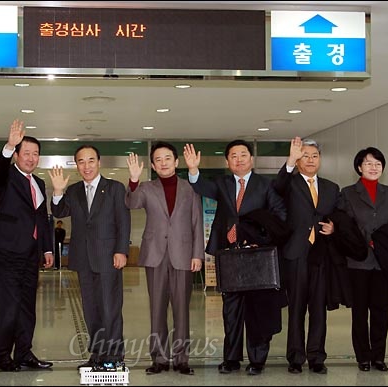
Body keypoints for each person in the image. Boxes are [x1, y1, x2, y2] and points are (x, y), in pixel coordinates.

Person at [183, 141, 287, 376]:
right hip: (229, 256)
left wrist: (257, 235)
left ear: (251, 159)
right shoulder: (222, 183)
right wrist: (193, 170)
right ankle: (231, 359)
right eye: (233, 156)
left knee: (256, 310)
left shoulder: (265, 185)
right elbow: (200, 186)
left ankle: (257, 360)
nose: (238, 159)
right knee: (231, 310)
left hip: (256, 257)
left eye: (243, 155)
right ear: (227, 162)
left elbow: (280, 216)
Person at [125, 142, 204, 376]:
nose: (163, 163)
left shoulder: (190, 189)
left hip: (183, 255)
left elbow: (197, 223)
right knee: (157, 309)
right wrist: (133, 180)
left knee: (182, 309)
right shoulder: (147, 188)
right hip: (155, 255)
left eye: (167, 158)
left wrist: (197, 254)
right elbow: (131, 203)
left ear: (176, 161)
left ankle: (182, 359)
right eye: (158, 159)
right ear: (152, 165)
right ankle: (159, 358)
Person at [49, 145, 131, 369]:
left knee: (110, 307)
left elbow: (123, 222)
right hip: (83, 259)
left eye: (91, 161)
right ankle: (97, 353)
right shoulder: (74, 190)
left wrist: (122, 250)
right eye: (81, 162)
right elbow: (59, 212)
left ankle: (114, 355)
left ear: (99, 162)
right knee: (91, 309)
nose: (86, 166)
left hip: (108, 257)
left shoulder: (114, 188)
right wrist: (57, 192)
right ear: (77, 165)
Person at [272, 136, 341, 374]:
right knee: (297, 307)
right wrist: (290, 160)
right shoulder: (289, 183)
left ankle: (316, 357)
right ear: (298, 160)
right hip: (296, 252)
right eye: (305, 156)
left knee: (318, 308)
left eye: (314, 156)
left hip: (321, 255)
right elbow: (276, 186)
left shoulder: (332, 188)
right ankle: (295, 357)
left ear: (320, 160)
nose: (310, 160)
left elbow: (339, 217)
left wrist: (334, 228)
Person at [0, 119, 54, 372]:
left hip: (30, 255)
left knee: (27, 307)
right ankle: (1, 355)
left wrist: (47, 249)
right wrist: (8, 145)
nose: (31, 158)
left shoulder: (38, 183)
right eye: (25, 153)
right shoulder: (7, 176)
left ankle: (24, 354)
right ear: (16, 155)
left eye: (35, 154)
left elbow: (42, 217)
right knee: (8, 307)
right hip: (8, 253)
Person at [338, 147, 388, 373]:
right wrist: (369, 241)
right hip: (358, 260)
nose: (373, 167)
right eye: (368, 163)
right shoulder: (348, 193)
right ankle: (362, 357)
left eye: (377, 164)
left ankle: (378, 356)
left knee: (381, 310)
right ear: (359, 167)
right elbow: (346, 226)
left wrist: (383, 243)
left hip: (383, 262)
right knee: (359, 312)